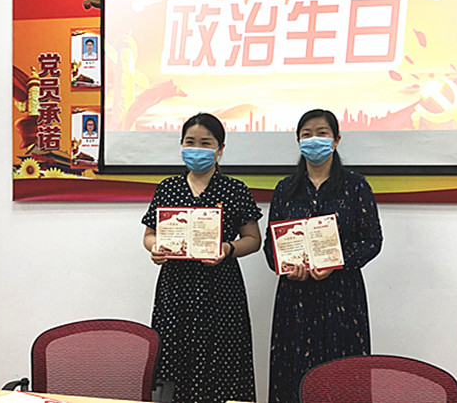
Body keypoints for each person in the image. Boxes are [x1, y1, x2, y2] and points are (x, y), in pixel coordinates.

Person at [263, 109, 383, 402]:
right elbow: (270, 247)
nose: (313, 140)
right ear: (298, 141)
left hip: (342, 297)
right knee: (292, 376)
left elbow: (372, 241)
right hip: (294, 298)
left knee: (341, 376)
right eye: (306, 134)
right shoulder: (285, 188)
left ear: (336, 140)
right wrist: (287, 266)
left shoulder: (355, 185)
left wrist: (337, 262)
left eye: (322, 133)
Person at [142, 113, 262, 403]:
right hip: (176, 290)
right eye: (190, 142)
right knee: (174, 363)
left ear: (220, 149)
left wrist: (228, 249)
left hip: (221, 289)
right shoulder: (168, 187)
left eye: (205, 143)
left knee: (223, 364)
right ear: (181, 145)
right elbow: (149, 234)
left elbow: (253, 240)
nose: (197, 149)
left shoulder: (235, 189)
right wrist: (154, 247)